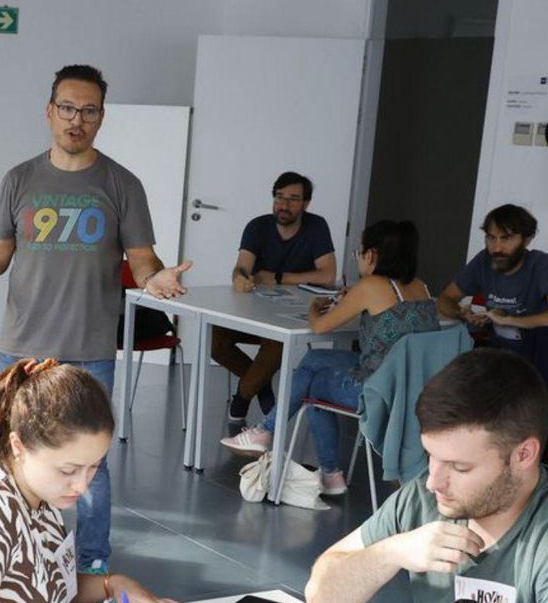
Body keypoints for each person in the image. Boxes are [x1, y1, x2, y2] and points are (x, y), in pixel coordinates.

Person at [0, 64, 190, 575]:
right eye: (67, 108)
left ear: (102, 117)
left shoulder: (122, 183)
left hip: (89, 347)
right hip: (22, 344)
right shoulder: (19, 179)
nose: (76, 120)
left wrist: (155, 280)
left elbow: (142, 259)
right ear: (49, 112)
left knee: (90, 466)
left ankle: (92, 566)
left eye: (88, 111)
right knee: (7, 455)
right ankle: (10, 550)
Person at [0, 359, 174, 603]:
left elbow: (53, 587)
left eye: (93, 466)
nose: (82, 486)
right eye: (68, 470)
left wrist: (113, 584)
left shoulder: (37, 493)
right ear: (19, 446)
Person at [305, 349, 548, 602]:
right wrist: (393, 551)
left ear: (523, 455)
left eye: (460, 467)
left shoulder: (540, 541)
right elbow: (320, 594)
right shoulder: (421, 499)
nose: (434, 482)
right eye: (431, 456)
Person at [220, 220, 438, 493]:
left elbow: (320, 327)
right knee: (314, 361)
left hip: (378, 392)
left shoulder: (371, 285)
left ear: (371, 255)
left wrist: (315, 307)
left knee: (313, 384)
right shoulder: (422, 287)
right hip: (412, 388)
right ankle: (274, 439)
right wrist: (355, 300)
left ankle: (317, 464)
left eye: (359, 253)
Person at [215, 172, 337, 422]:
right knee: (214, 340)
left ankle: (242, 397)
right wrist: (239, 277)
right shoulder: (257, 226)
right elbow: (242, 267)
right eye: (279, 197)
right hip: (252, 311)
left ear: (306, 203)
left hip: (289, 315)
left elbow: (328, 275)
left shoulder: (316, 226)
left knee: (277, 340)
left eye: (293, 199)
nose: (284, 205)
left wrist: (279, 277)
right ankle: (260, 385)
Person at [437, 204, 548, 361]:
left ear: (526, 240)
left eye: (506, 238)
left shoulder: (541, 264)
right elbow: (445, 299)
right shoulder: (483, 261)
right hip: (500, 358)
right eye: (491, 238)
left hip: (538, 359)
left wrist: (508, 320)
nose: (496, 248)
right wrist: (463, 314)